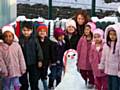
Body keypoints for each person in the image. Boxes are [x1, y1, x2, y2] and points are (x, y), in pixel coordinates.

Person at [19, 21, 43, 90]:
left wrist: (40, 60)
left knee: (34, 80)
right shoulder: (20, 40)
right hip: (23, 63)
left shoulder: (34, 39)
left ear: (32, 30)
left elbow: (39, 50)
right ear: (21, 30)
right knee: (23, 80)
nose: (26, 32)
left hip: (33, 63)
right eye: (24, 30)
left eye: (28, 30)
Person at [1, 25, 26, 90]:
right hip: (6, 72)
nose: (8, 38)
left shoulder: (17, 46)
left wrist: (23, 67)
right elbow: (1, 60)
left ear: (13, 36)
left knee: (16, 84)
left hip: (16, 70)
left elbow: (21, 57)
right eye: (6, 36)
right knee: (6, 85)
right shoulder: (1, 47)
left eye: (10, 36)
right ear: (3, 37)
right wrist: (4, 70)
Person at [99, 24, 120, 90]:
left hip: (116, 71)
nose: (112, 36)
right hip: (108, 70)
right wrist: (102, 65)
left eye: (114, 34)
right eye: (110, 34)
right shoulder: (106, 45)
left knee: (115, 86)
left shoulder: (118, 45)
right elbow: (103, 56)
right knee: (109, 86)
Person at [77, 22, 95, 88]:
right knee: (83, 72)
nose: (86, 31)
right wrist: (78, 58)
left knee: (90, 72)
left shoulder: (93, 39)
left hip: (90, 60)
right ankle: (83, 83)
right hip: (82, 59)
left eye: (88, 29)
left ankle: (91, 82)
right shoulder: (82, 39)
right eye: (85, 29)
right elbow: (78, 48)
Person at [37, 23, 53, 90]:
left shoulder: (48, 41)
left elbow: (51, 50)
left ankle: (45, 87)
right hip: (37, 62)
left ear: (46, 32)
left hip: (46, 62)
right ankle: (36, 87)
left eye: (44, 31)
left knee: (44, 76)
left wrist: (51, 60)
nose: (42, 32)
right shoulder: (36, 40)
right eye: (40, 31)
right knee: (36, 76)